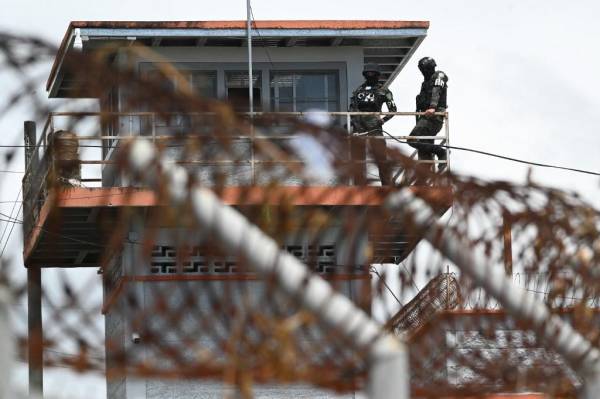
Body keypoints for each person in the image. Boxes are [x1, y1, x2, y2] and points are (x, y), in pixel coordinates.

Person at [349, 63, 397, 185]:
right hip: (358, 125)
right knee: (358, 158)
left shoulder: (383, 90)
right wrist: (353, 122)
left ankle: (386, 185)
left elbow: (393, 110)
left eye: (373, 74)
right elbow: (351, 108)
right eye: (368, 74)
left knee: (380, 157)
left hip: (375, 126)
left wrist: (383, 120)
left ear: (377, 75)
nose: (370, 76)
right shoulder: (359, 90)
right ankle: (359, 185)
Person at [409, 57, 448, 171]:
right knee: (424, 149)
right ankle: (425, 176)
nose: (424, 71)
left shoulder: (439, 76)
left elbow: (437, 90)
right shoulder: (425, 83)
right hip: (425, 117)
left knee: (412, 139)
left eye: (426, 68)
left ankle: (441, 152)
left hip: (433, 117)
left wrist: (432, 107)